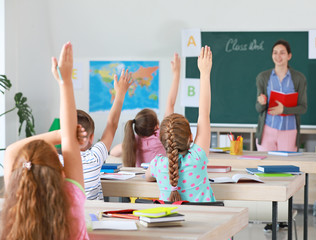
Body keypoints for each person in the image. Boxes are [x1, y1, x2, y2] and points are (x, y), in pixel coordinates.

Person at [1, 42, 89, 239]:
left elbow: (11, 152)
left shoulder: (12, 210)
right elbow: (68, 139)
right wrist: (65, 82)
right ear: (60, 170)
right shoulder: (72, 199)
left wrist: (60, 135)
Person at [145, 46, 215, 202]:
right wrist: (204, 73)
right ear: (191, 136)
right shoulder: (197, 158)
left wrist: (176, 75)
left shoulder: (158, 165)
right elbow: (204, 113)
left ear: (163, 139)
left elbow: (147, 176)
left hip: (171, 225)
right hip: (205, 225)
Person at [71, 68, 133, 200]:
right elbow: (112, 124)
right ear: (91, 138)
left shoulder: (56, 161)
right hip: (93, 219)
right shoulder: (94, 157)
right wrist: (120, 93)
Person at [110, 53, 181, 167]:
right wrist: (176, 74)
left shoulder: (133, 141)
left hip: (139, 183)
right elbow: (170, 103)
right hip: (159, 182)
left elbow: (113, 152)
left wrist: (127, 144)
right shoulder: (161, 137)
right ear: (156, 126)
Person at [255, 39, 307, 152]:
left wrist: (284, 110)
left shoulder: (299, 78)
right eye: (275, 52)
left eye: (282, 53)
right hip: (267, 130)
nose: (278, 56)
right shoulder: (263, 77)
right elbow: (258, 109)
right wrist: (261, 102)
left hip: (289, 131)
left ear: (289, 56)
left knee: (286, 168)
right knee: (265, 167)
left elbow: (303, 108)